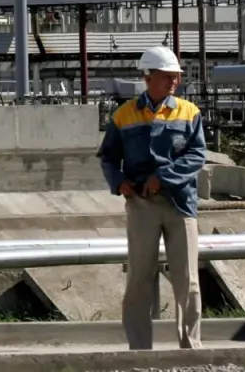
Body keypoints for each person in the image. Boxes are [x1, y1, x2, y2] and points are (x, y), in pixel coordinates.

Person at [98, 45, 206, 351]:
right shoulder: (124, 115)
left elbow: (197, 155)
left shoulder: (189, 112)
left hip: (180, 203)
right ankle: (139, 349)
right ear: (148, 77)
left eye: (176, 76)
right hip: (141, 204)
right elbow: (108, 156)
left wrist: (164, 177)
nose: (174, 81)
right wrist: (119, 183)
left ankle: (191, 346)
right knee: (139, 278)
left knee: (187, 279)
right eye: (167, 76)